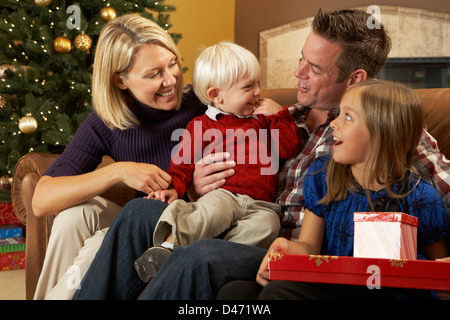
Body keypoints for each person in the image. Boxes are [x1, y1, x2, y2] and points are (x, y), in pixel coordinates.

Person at [73, 9, 450, 300]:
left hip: (276, 245)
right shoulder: (273, 116)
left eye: (314, 68)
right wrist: (192, 189)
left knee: (199, 258)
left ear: (356, 80)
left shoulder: (388, 130)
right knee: (140, 210)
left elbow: (440, 200)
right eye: (302, 58)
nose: (298, 72)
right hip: (230, 220)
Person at [217, 79, 450, 299]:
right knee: (235, 292)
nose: (333, 124)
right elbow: (309, 246)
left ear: (382, 133)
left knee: (279, 293)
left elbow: (438, 268)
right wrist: (286, 248)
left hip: (387, 294)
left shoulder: (419, 194)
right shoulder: (323, 175)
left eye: (347, 117)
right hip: (334, 286)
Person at [30, 14, 208, 299]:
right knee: (75, 216)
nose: (170, 79)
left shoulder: (202, 103)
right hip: (139, 224)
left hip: (180, 228)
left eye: (172, 63)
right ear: (120, 80)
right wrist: (118, 171)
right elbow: (41, 201)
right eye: (153, 74)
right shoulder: (108, 121)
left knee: (101, 242)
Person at [133, 41, 301, 283]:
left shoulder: (264, 120)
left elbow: (289, 147)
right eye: (248, 87)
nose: (257, 92)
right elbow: (183, 164)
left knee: (268, 226)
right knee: (209, 212)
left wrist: (279, 115)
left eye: (258, 84)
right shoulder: (201, 125)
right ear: (216, 95)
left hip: (261, 204)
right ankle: (167, 249)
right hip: (224, 195)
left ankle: (219, 262)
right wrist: (173, 188)